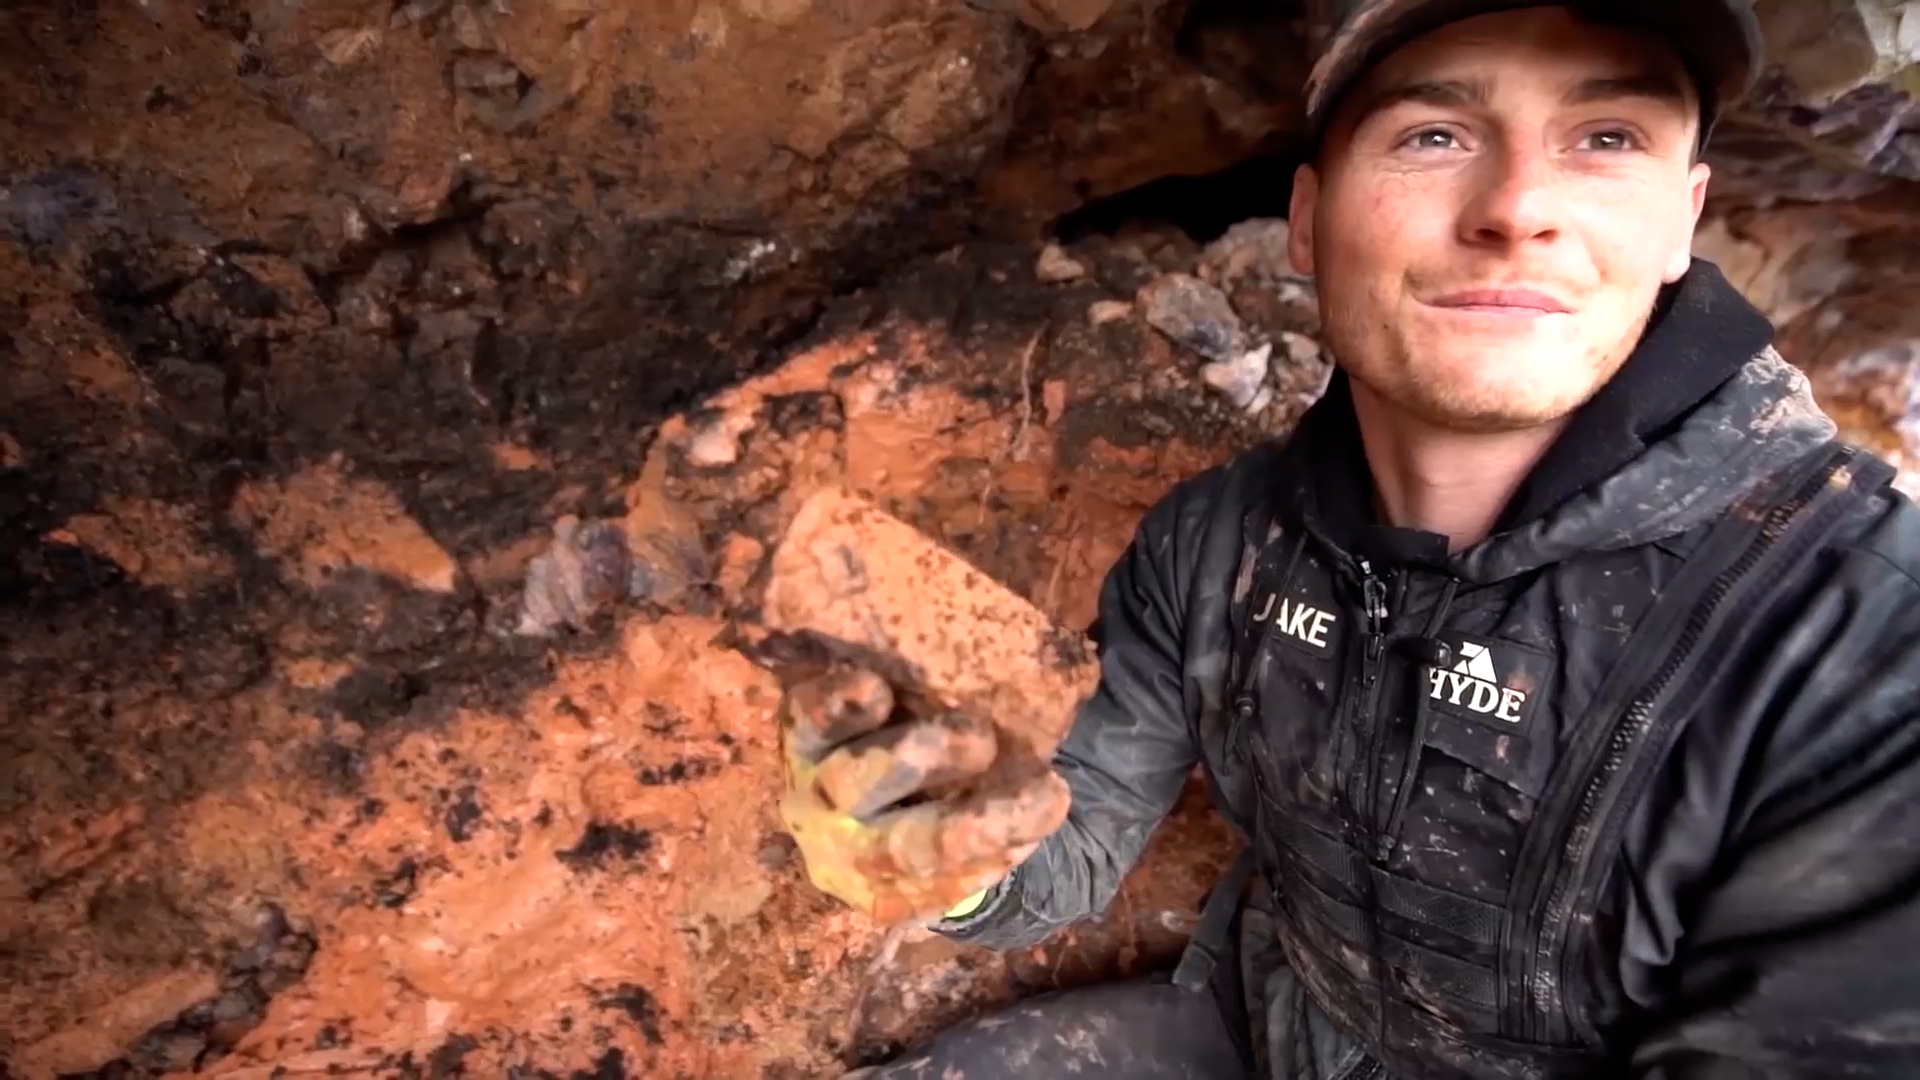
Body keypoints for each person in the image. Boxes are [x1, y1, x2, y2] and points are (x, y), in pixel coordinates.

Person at [778, 2, 1920, 1076]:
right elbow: (1065, 857)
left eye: (1606, 137)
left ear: (1685, 217)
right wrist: (944, 854)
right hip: (1269, 1025)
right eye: (1434, 133)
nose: (1518, 206)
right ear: (1310, 222)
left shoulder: (1861, 642)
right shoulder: (1218, 541)